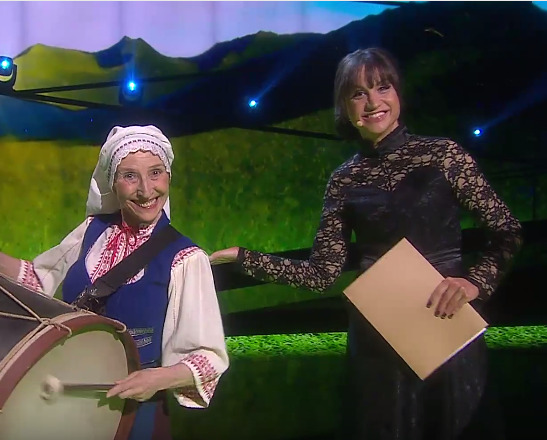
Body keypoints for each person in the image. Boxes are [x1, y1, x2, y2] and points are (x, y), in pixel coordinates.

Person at [210, 48, 522, 440]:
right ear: (345, 107)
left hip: (445, 327)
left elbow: (507, 230)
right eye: (358, 93)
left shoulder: (444, 155)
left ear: (398, 93)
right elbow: (323, 273)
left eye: (382, 87)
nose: (373, 102)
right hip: (379, 342)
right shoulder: (343, 180)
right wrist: (243, 257)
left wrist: (475, 283)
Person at [0, 125, 229, 440]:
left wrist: (157, 379)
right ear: (112, 183)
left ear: (168, 176)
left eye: (155, 173)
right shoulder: (92, 230)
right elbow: (41, 279)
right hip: (67, 397)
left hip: (132, 411)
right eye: (130, 176)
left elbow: (208, 357)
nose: (146, 190)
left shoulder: (186, 258)